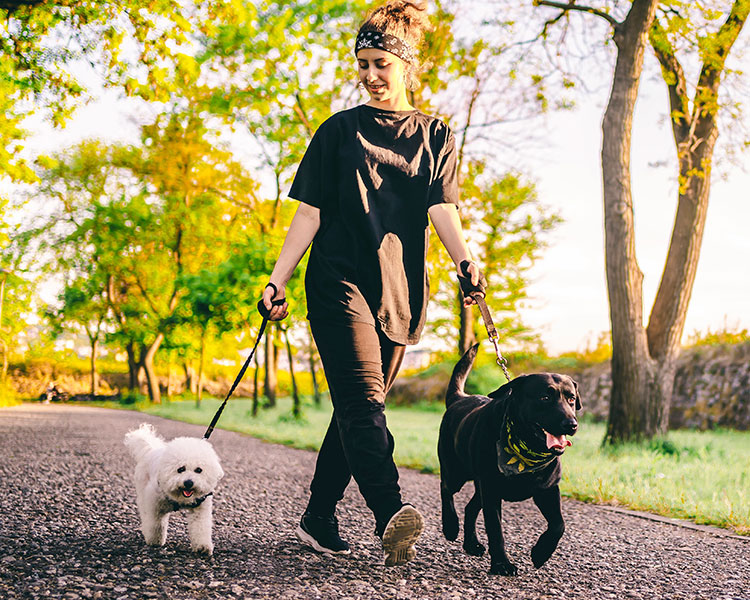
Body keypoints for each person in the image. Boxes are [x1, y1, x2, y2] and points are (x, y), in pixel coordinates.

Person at [261, 0, 485, 566]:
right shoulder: (338, 132)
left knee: (354, 410)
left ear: (407, 66)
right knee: (365, 406)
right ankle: (392, 515)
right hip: (338, 278)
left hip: (399, 289)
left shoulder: (435, 134)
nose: (370, 75)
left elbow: (443, 210)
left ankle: (318, 514)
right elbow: (308, 214)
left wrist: (466, 262)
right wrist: (277, 279)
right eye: (362, 64)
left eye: (381, 63)